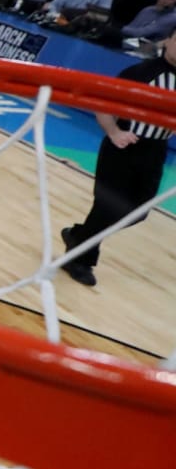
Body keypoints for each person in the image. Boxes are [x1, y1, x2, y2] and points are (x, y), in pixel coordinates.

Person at [60, 28, 176, 286]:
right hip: (124, 146)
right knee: (107, 206)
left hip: (156, 150)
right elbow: (103, 101)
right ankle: (79, 260)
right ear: (168, 40)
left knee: (138, 212)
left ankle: (78, 235)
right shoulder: (142, 73)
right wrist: (114, 131)